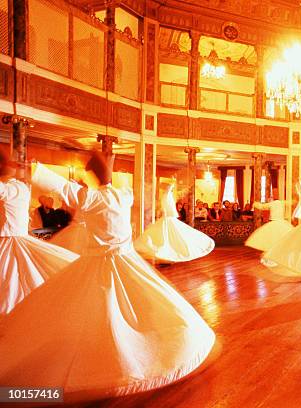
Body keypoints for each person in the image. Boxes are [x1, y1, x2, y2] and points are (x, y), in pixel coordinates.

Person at [0, 152, 216, 401]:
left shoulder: (91, 197)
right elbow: (98, 185)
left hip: (101, 262)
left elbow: (62, 187)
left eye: (85, 172)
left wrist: (35, 170)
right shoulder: (122, 195)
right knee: (139, 306)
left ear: (91, 176)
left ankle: (112, 363)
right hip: (125, 260)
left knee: (102, 308)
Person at [0, 153, 78, 315]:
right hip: (11, 239)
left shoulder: (15, 187)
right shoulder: (17, 186)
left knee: (11, 283)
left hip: (11, 240)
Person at [134, 182, 215, 263]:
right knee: (168, 236)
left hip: (167, 218)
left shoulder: (167, 196)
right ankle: (167, 255)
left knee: (171, 236)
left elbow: (168, 208)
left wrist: (164, 214)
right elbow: (168, 208)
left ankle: (169, 255)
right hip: (167, 218)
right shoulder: (167, 197)